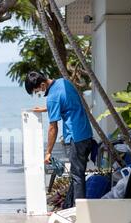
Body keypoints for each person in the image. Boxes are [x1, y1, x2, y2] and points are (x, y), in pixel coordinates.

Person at [25, 71, 93, 207]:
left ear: (43, 84)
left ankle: (79, 213)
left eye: (37, 90)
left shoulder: (52, 98)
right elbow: (69, 103)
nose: (38, 93)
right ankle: (69, 207)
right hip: (86, 134)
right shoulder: (64, 82)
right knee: (77, 174)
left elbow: (53, 128)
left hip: (75, 138)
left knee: (77, 177)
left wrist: (48, 152)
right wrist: (47, 108)